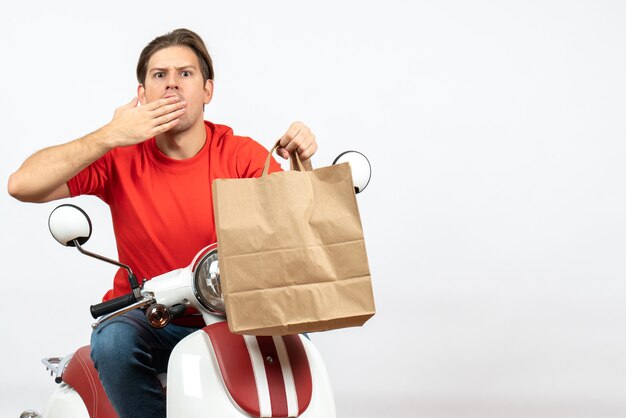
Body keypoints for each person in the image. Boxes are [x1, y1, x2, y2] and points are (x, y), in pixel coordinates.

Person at [7, 28, 318, 418]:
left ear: (207, 91)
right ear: (142, 94)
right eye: (159, 75)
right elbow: (22, 185)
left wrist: (303, 163)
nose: (172, 84)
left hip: (236, 314)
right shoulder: (121, 156)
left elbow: (303, 225)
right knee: (113, 342)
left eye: (185, 74)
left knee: (297, 338)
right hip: (153, 317)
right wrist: (109, 135)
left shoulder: (239, 155)